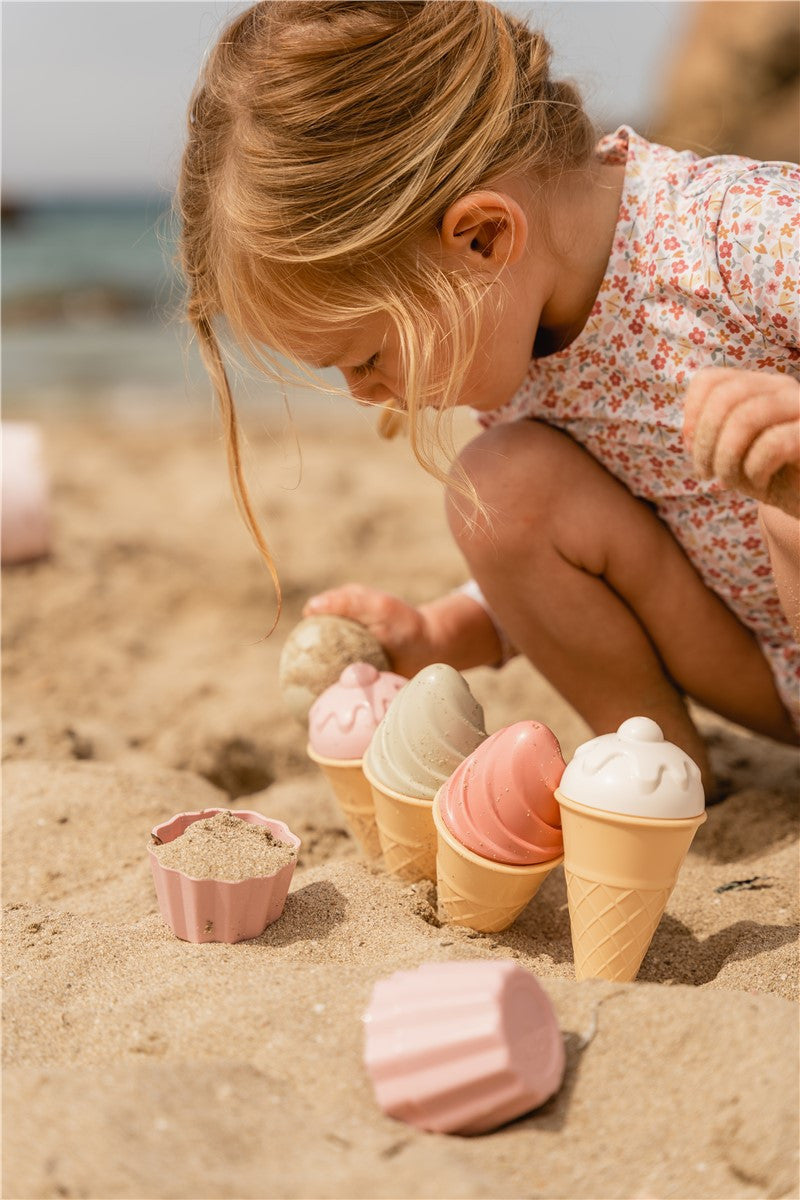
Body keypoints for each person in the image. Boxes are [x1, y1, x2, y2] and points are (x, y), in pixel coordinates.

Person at [176, 0, 799, 793]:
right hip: (764, 677)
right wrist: (447, 631)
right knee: (502, 487)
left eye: (367, 356)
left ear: (482, 237)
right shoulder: (517, 322)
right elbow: (598, 551)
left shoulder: (737, 232)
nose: (366, 396)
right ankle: (654, 778)